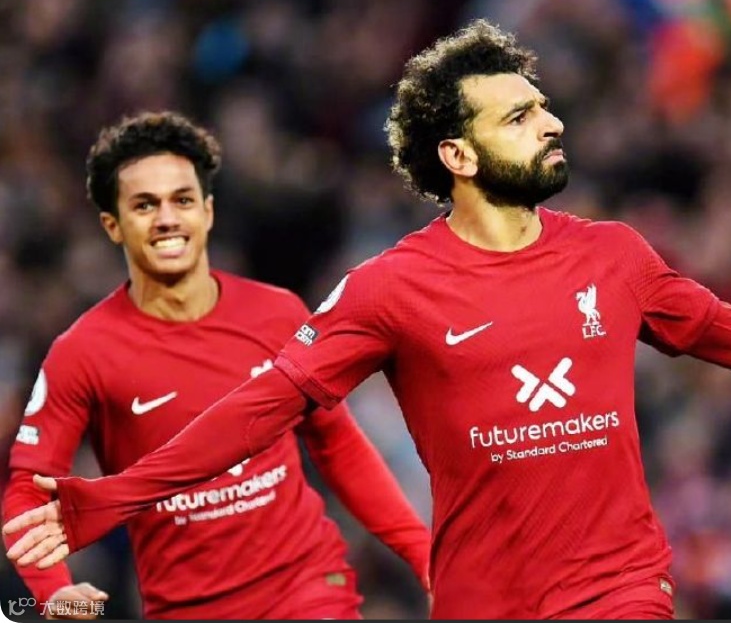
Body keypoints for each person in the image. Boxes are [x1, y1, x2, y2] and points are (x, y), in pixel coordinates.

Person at [6, 19, 731, 620]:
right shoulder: (389, 289)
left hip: (619, 588)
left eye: (543, 107)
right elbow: (259, 409)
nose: (551, 123)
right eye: (518, 117)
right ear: (458, 156)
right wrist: (119, 493)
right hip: (482, 600)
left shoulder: (614, 255)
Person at [1, 111, 431, 620]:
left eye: (182, 199)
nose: (167, 218)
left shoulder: (277, 314)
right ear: (112, 225)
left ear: (207, 210)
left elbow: (337, 444)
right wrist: (52, 590)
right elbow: (28, 489)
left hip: (308, 588)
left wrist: (423, 556)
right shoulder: (82, 353)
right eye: (145, 204)